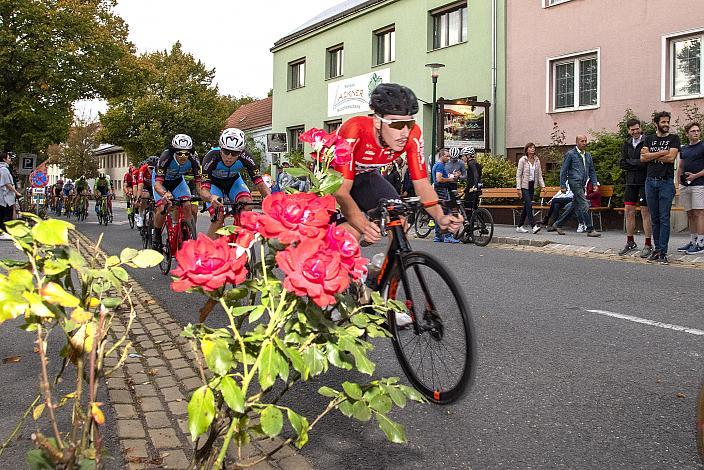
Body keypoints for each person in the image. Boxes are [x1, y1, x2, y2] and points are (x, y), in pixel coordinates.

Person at [333, 82, 462, 245]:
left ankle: (394, 269)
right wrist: (362, 224)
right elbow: (341, 191)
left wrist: (440, 215)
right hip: (330, 176)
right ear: (377, 122)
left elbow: (422, 183)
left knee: (399, 219)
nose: (405, 133)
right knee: (351, 233)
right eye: (397, 124)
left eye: (409, 124)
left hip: (364, 175)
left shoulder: (412, 136)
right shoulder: (354, 129)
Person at [200, 128, 271, 239]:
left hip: (234, 182)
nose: (229, 156)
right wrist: (210, 197)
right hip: (214, 184)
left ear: (241, 152)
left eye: (235, 153)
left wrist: (272, 202)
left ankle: (237, 240)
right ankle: (207, 253)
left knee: (247, 205)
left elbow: (260, 184)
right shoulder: (211, 157)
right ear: (220, 148)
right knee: (218, 217)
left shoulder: (246, 157)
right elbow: (203, 190)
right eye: (226, 151)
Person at [641, 111, 680, 264]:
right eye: (663, 122)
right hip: (650, 182)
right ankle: (656, 249)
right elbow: (643, 158)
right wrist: (663, 151)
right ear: (656, 124)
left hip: (666, 182)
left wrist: (653, 154)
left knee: (664, 218)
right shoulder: (649, 138)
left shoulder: (674, 138)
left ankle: (663, 251)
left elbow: (671, 158)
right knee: (654, 218)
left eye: (667, 122)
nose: (666, 125)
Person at [152, 134, 201, 251]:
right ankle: (157, 235)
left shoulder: (194, 159)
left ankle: (185, 232)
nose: (183, 156)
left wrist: (203, 194)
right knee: (163, 208)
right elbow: (157, 184)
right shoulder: (166, 157)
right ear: (174, 151)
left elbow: (199, 182)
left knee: (187, 204)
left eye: (186, 153)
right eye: (179, 153)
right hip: (161, 181)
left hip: (178, 181)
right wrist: (164, 193)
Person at [552, 135, 601, 237]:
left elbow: (592, 171)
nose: (584, 143)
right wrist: (562, 185)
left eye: (585, 141)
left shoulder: (588, 155)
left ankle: (558, 224)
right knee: (584, 204)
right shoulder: (570, 154)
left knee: (574, 205)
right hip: (574, 182)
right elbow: (563, 170)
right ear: (577, 142)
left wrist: (595, 183)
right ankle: (590, 229)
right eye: (582, 141)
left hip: (582, 183)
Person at [618, 118, 652, 257]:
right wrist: (638, 162)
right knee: (629, 211)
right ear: (628, 130)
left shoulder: (647, 141)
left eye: (637, 128)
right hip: (630, 182)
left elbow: (647, 161)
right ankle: (630, 241)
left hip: (644, 181)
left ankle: (648, 244)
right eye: (632, 130)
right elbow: (622, 163)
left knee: (645, 212)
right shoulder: (626, 144)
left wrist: (633, 163)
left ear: (640, 128)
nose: (635, 131)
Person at [676, 122, 704, 255]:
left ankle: (701, 243)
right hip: (685, 186)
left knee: (699, 213)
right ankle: (693, 241)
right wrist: (679, 183)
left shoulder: (703, 146)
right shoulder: (684, 148)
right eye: (693, 131)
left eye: (698, 130)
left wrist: (695, 176)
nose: (696, 133)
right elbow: (680, 166)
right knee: (690, 214)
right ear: (687, 133)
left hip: (699, 184)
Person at [431, 149, 460, 243]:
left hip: (438, 190)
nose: (449, 158)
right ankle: (447, 235)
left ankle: (438, 236)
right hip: (441, 191)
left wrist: (450, 176)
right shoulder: (439, 165)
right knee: (447, 213)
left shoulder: (437, 165)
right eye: (447, 156)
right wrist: (450, 180)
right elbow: (439, 179)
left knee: (440, 213)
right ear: (441, 156)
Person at [515, 142, 545, 234]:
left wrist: (543, 186)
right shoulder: (523, 160)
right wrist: (518, 188)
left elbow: (539, 174)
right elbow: (518, 175)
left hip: (532, 185)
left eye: (534, 147)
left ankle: (519, 226)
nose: (533, 149)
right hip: (524, 185)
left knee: (526, 206)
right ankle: (534, 226)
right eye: (530, 147)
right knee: (529, 204)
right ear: (527, 149)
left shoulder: (537, 160)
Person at [0, 152, 21, 239]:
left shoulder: (3, 168)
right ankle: (4, 232)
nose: (10, 160)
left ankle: (3, 232)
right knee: (6, 214)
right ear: (4, 159)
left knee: (2, 214)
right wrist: (16, 192)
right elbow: (7, 183)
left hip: (4, 196)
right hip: (5, 197)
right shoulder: (4, 169)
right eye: (9, 158)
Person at [136, 156, 158, 227]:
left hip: (156, 186)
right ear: (147, 166)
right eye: (151, 168)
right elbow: (140, 185)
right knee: (145, 196)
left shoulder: (160, 170)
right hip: (145, 186)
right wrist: (138, 198)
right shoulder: (143, 169)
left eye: (155, 168)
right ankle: (141, 216)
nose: (153, 170)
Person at [463, 147, 482, 212]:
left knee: (467, 207)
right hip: (474, 188)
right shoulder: (475, 163)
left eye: (463, 155)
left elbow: (475, 175)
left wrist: (475, 186)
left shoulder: (471, 163)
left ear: (468, 156)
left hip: (472, 189)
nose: (462, 157)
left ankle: (470, 221)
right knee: (473, 208)